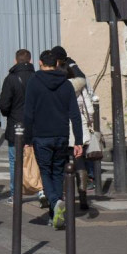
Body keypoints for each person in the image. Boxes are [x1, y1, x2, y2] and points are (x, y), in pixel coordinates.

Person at [24, 49, 84, 230]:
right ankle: (54, 216)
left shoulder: (34, 82)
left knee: (45, 172)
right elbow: (75, 114)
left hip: (41, 135)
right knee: (58, 172)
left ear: (41, 63)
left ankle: (55, 201)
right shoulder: (66, 84)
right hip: (61, 135)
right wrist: (79, 141)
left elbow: (28, 113)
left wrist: (27, 139)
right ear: (57, 63)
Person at [53, 45, 97, 207]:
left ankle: (65, 196)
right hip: (80, 129)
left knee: (63, 163)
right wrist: (90, 123)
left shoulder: (59, 87)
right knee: (80, 162)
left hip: (62, 129)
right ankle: (83, 194)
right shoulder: (81, 84)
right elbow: (90, 108)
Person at [0, 48, 35, 203]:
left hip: (16, 124)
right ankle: (41, 190)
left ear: (15, 61)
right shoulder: (37, 77)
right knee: (36, 160)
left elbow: (4, 104)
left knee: (15, 161)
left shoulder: (11, 79)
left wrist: (10, 114)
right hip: (35, 125)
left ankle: (15, 194)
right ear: (30, 61)